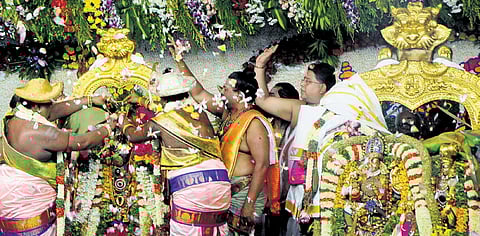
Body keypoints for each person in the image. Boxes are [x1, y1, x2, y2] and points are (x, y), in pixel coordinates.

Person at [168, 44, 278, 235]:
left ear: (239, 95)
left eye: (226, 89)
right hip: (228, 190)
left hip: (246, 191)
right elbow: (198, 93)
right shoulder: (228, 113)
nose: (222, 92)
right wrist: (179, 60)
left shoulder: (253, 122)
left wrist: (249, 204)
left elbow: (262, 165)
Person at [120, 72, 232, 236]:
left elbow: (133, 135)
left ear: (163, 99)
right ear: (186, 93)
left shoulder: (161, 121)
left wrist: (122, 119)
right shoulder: (200, 114)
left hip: (190, 184)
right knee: (216, 229)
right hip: (220, 179)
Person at [0, 78, 114, 236]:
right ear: (35, 105)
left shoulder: (15, 117)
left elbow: (55, 110)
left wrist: (89, 100)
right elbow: (83, 141)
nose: (52, 105)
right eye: (48, 103)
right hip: (28, 206)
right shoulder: (41, 132)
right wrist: (109, 127)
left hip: (8, 191)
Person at [253, 45, 337, 235]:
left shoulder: (340, 112)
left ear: (323, 88)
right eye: (303, 79)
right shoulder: (299, 108)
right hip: (296, 196)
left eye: (308, 81)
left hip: (326, 197)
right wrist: (260, 67)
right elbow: (262, 100)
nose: (302, 84)